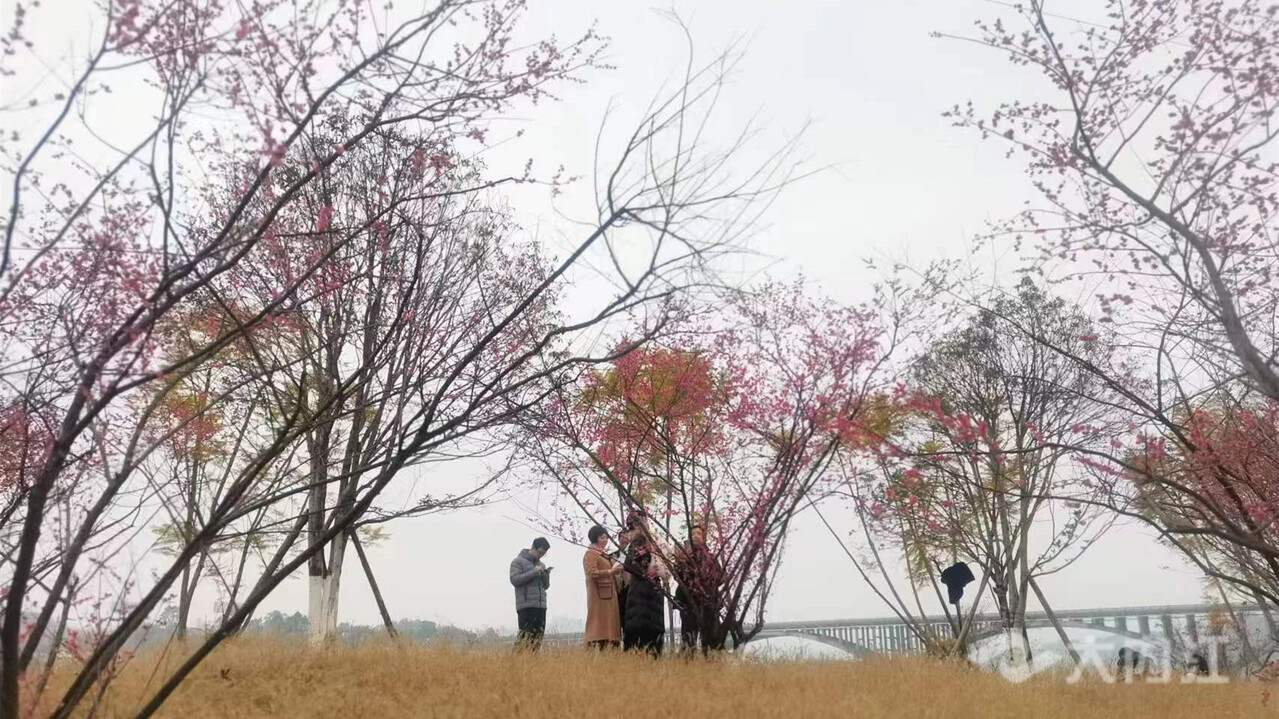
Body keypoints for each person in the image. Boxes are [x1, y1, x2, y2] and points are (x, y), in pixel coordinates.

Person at [672, 524, 723, 655]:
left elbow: (721, 577)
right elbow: (677, 576)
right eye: (693, 534)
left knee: (711, 640)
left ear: (703, 538)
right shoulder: (684, 557)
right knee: (689, 640)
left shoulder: (710, 558)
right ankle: (688, 664)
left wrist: (707, 584)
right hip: (689, 602)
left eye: (698, 534)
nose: (695, 536)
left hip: (707, 603)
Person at [622, 534, 668, 656]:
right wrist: (645, 573)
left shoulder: (657, 544)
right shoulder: (636, 543)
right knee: (638, 629)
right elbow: (628, 564)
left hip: (655, 592)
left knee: (654, 631)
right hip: (639, 591)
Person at [583, 524, 624, 649]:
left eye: (606, 537)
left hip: (609, 594)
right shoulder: (591, 554)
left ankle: (610, 645)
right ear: (595, 538)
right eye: (602, 537)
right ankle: (597, 643)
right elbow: (591, 573)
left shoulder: (603, 554)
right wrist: (610, 572)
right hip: (598, 595)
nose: (605, 540)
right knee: (599, 623)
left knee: (610, 623)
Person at [509, 537, 551, 651]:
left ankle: (532, 660)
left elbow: (546, 586)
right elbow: (514, 579)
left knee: (538, 639)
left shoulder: (542, 565)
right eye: (540, 552)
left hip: (541, 605)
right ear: (533, 548)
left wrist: (545, 575)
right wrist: (533, 572)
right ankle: (514, 659)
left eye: (543, 554)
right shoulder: (518, 561)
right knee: (525, 637)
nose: (540, 556)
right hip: (526, 606)